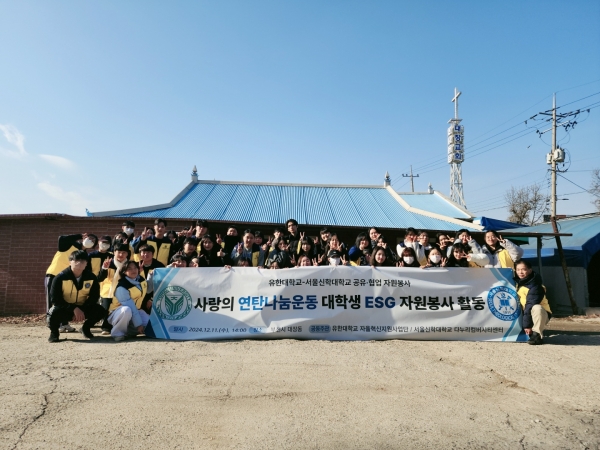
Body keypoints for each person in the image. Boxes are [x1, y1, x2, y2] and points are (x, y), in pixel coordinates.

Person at [47, 250, 106, 343]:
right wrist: (73, 309)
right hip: (65, 308)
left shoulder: (91, 277)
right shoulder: (59, 278)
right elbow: (55, 299)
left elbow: (94, 297)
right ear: (70, 262)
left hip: (83, 308)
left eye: (83, 261)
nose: (79, 263)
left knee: (101, 311)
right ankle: (54, 333)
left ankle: (85, 328)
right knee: (52, 313)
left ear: (86, 263)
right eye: (76, 260)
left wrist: (81, 309)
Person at [45, 232, 98, 332]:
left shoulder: (84, 255)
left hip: (70, 279)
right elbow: (61, 238)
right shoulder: (69, 245)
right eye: (89, 238)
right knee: (53, 299)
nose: (90, 241)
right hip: (54, 275)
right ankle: (53, 323)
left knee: (67, 299)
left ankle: (64, 323)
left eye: (93, 241)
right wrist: (79, 236)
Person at [107, 260, 150, 342]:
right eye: (129, 269)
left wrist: (151, 277)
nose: (133, 270)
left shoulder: (140, 279)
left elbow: (148, 289)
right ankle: (117, 334)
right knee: (126, 310)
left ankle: (128, 332)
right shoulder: (122, 287)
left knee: (150, 325)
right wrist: (138, 324)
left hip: (136, 311)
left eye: (135, 268)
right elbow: (130, 306)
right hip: (118, 313)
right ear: (124, 272)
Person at [515, 259, 552, 345]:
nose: (520, 272)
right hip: (526, 314)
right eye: (518, 270)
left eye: (523, 269)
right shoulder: (519, 283)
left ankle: (537, 335)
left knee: (536, 307)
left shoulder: (535, 285)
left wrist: (527, 326)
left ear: (530, 270)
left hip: (540, 314)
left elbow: (530, 305)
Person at [97, 244, 131, 335]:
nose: (121, 254)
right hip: (108, 291)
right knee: (106, 309)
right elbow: (100, 278)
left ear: (127, 254)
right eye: (118, 252)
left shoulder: (129, 265)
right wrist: (104, 268)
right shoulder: (108, 262)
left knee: (120, 309)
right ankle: (105, 327)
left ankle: (118, 327)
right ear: (114, 252)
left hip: (122, 291)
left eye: (123, 253)